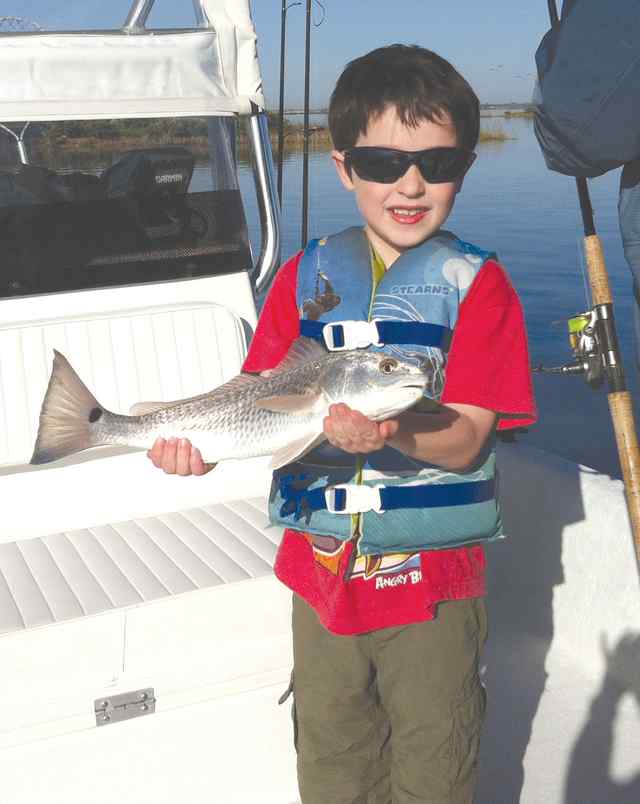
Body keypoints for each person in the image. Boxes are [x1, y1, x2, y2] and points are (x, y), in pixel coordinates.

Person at [148, 44, 536, 804]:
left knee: (434, 767)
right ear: (343, 167)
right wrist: (194, 445)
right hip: (317, 572)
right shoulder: (302, 275)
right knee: (330, 762)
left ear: (466, 165)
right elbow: (256, 397)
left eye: (439, 161)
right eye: (383, 161)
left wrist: (394, 435)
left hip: (432, 587)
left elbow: (465, 439)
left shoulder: (481, 287)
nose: (411, 183)